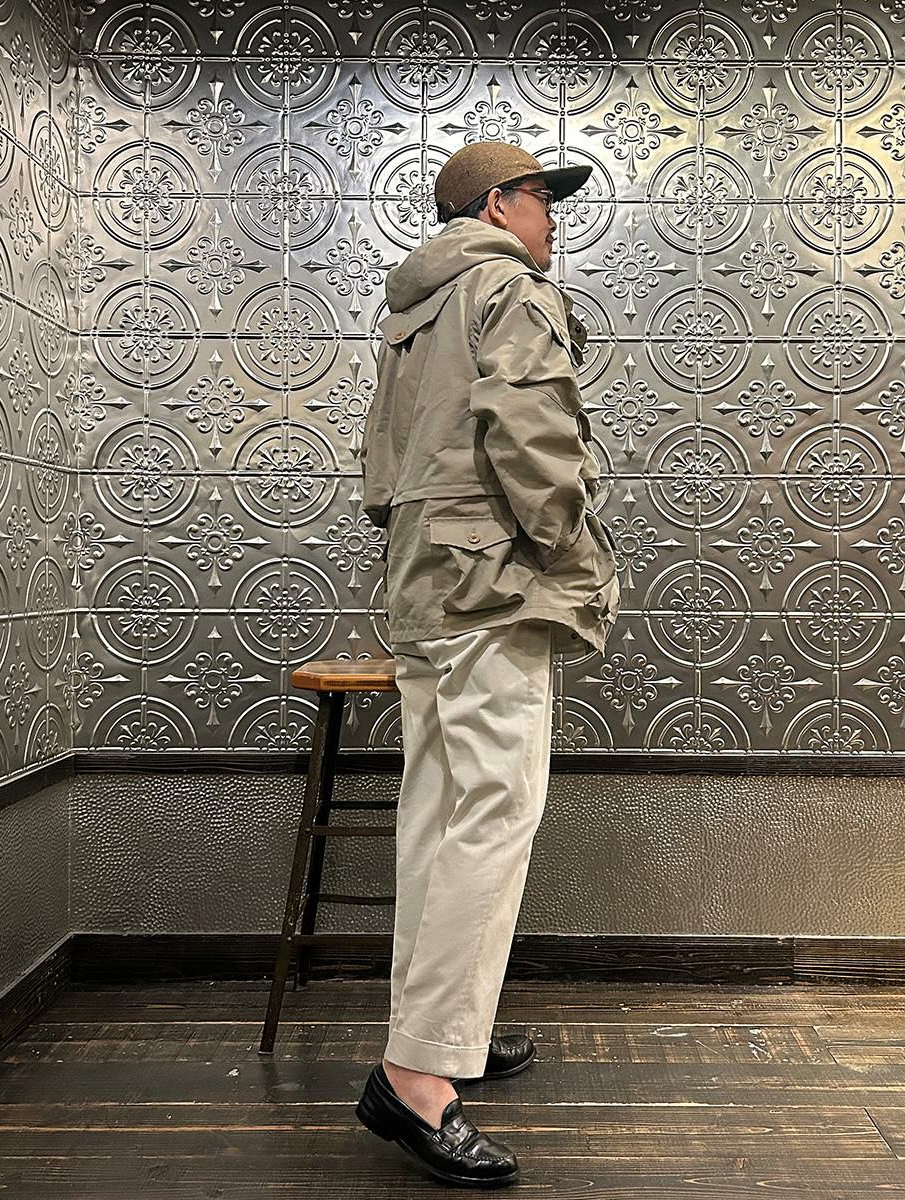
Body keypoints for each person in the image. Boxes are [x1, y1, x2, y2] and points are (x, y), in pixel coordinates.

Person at [356, 141, 620, 1187]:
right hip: (490, 583)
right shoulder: (507, 287)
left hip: (423, 581)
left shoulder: (414, 308)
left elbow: (382, 469)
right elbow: (532, 431)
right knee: (496, 812)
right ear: (499, 205)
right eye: (543, 199)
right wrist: (569, 549)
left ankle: (437, 1031)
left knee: (437, 815)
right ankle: (417, 1077)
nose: (553, 218)